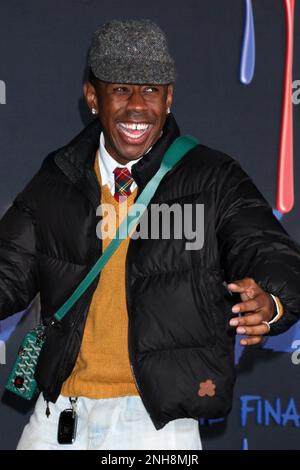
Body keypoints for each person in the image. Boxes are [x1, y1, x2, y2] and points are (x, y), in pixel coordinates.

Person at [1, 19, 300, 450]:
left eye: (151, 89)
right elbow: (7, 272)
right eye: (121, 89)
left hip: (154, 426)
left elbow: (270, 251)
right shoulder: (58, 177)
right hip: (57, 417)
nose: (137, 106)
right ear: (92, 97)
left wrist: (271, 302)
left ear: (169, 97)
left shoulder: (211, 176)